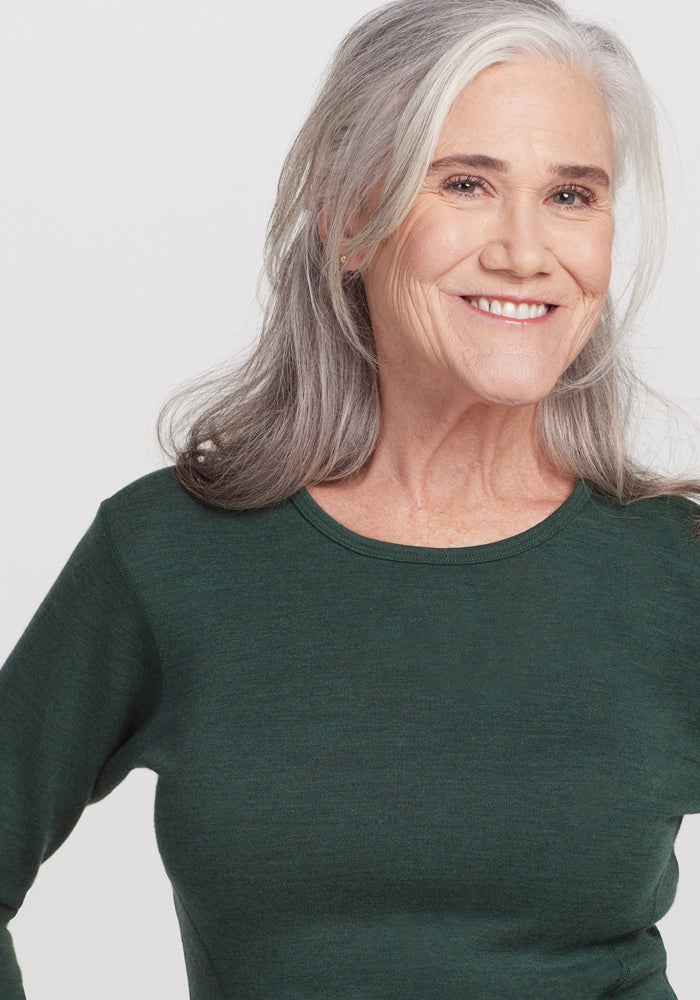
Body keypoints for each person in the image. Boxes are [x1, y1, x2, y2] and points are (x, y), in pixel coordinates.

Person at [1, 0, 698, 997]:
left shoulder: (674, 567)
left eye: (572, 195)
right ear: (344, 222)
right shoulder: (166, 555)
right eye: (465, 183)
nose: (523, 250)